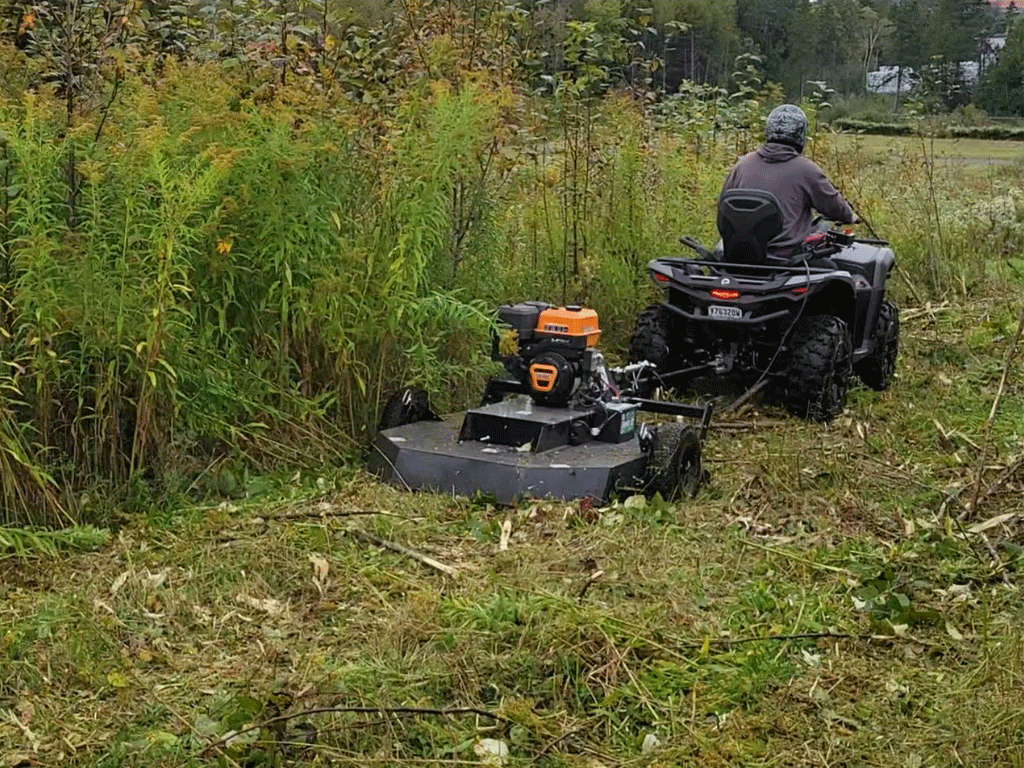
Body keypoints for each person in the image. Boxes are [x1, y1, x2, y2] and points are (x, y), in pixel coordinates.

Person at [720, 104, 858, 255]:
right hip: (784, 256)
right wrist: (850, 216)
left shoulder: (742, 164)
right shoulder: (807, 170)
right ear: (801, 135)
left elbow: (723, 205)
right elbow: (834, 205)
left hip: (739, 254)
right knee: (834, 263)